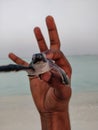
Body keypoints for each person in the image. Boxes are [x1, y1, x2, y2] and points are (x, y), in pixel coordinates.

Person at [9, 16, 72, 130]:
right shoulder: (35, 72)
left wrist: (55, 113)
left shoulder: (51, 68)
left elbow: (59, 77)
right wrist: (50, 115)